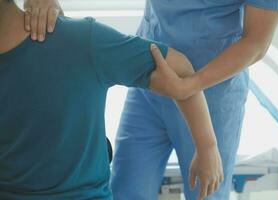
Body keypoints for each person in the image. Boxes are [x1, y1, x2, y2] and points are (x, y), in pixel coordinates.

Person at [23, 0, 278, 199]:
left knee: (205, 193)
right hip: (150, 84)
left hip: (211, 96)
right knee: (126, 190)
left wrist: (190, 88)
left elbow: (257, 43)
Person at [0, 0, 223, 199]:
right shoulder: (81, 41)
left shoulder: (79, 43)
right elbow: (180, 69)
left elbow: (180, 71)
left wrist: (208, 147)